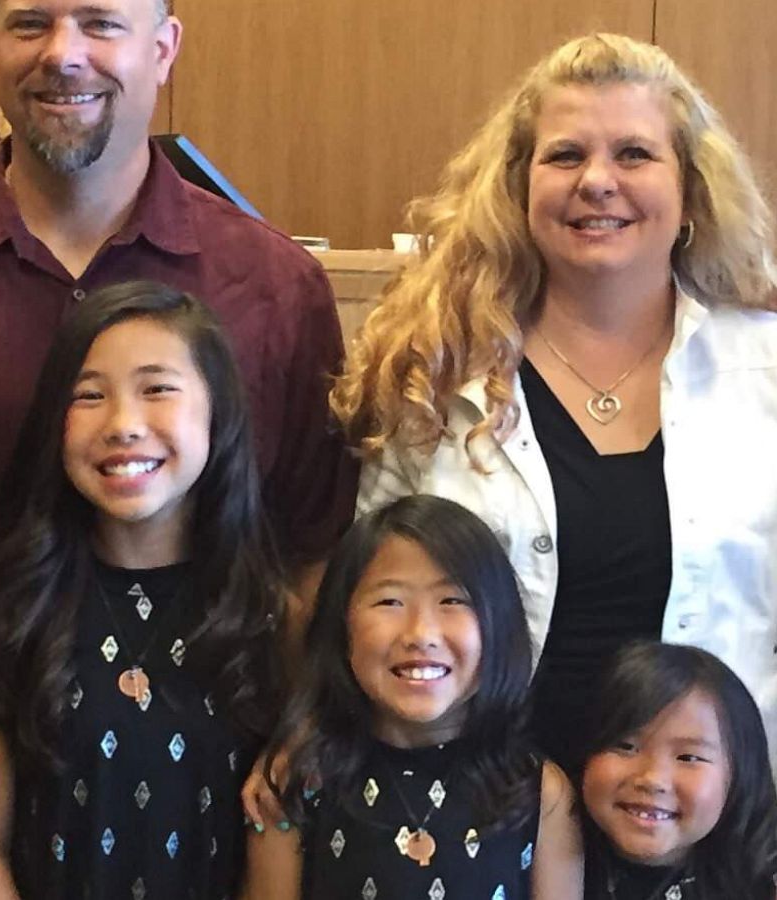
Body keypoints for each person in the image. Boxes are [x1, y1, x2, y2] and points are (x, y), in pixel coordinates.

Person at [332, 32, 777, 775]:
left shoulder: (763, 368)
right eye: (565, 156)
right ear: (518, 189)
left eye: (634, 154)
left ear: (692, 190)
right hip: (485, 819)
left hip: (707, 826)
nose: (597, 181)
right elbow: (368, 603)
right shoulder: (435, 371)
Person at [0, 0, 354, 580]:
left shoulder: (280, 287)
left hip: (213, 671)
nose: (62, 55)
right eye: (31, 24)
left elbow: (311, 554)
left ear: (163, 49)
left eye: (99, 23)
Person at [0, 281, 284, 899]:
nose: (124, 424)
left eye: (157, 388)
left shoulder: (270, 620)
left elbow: (277, 859)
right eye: (90, 396)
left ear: (218, 411)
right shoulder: (5, 616)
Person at [247, 495, 583, 900]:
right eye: (390, 601)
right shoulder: (298, 779)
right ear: (341, 625)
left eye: (453, 601)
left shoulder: (540, 792)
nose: (421, 633)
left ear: (499, 624)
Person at [579, 642, 777, 900]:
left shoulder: (762, 877)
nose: (652, 778)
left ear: (740, 774)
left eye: (688, 757)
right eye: (626, 746)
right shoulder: (547, 854)